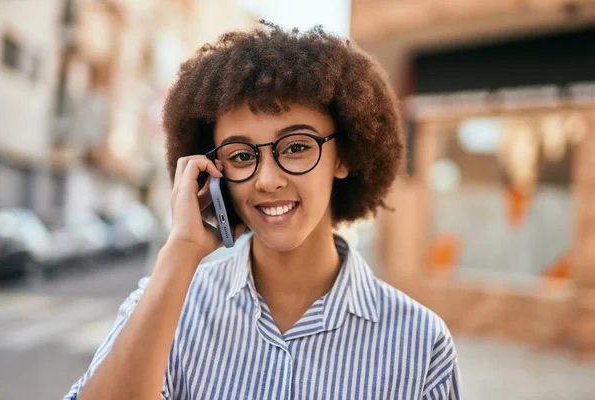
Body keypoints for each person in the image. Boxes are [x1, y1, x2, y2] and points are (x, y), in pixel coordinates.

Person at [65, 21, 462, 400]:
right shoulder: (163, 306)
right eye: (240, 155)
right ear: (213, 171)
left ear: (343, 157)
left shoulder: (421, 342)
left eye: (296, 147)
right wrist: (181, 249)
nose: (267, 180)